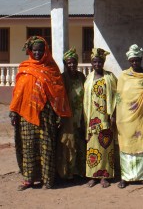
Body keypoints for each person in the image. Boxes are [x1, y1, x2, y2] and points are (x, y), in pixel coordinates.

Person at [9, 36, 71, 190]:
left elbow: (58, 92)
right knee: (28, 147)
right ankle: (29, 179)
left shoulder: (52, 69)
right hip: (26, 115)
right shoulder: (25, 68)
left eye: (40, 50)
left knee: (47, 147)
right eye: (34, 50)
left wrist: (59, 114)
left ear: (45, 51)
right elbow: (18, 92)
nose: (37, 53)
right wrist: (13, 111)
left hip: (46, 115)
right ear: (30, 51)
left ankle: (47, 180)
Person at [116, 44, 143, 189]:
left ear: (141, 59)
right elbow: (119, 98)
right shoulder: (123, 76)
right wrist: (117, 116)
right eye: (132, 60)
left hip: (142, 117)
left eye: (137, 60)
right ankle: (125, 177)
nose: (135, 63)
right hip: (126, 118)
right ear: (129, 61)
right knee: (126, 145)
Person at [83, 48, 117, 188]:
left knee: (105, 147)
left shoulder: (110, 77)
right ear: (91, 63)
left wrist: (114, 113)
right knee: (92, 146)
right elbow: (85, 99)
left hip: (105, 117)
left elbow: (117, 96)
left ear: (103, 63)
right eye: (95, 62)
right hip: (91, 118)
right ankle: (93, 176)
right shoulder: (88, 78)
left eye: (100, 62)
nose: (97, 64)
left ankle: (104, 176)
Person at [56, 48, 86, 179]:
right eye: (69, 63)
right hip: (67, 116)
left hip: (81, 115)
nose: (72, 65)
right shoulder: (62, 78)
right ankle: (67, 173)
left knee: (80, 142)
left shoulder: (81, 76)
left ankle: (79, 171)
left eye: (74, 62)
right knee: (68, 143)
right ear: (65, 64)